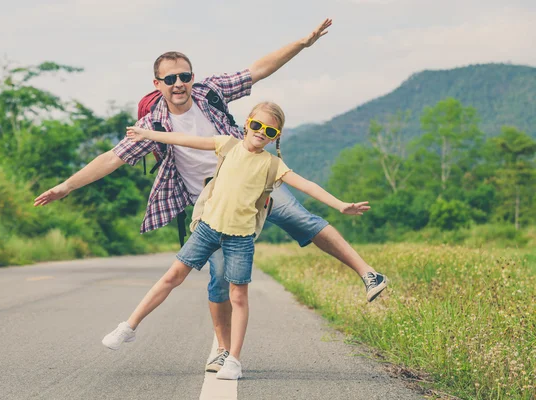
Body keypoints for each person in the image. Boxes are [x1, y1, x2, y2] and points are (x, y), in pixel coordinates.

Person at [33, 18, 388, 374]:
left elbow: (258, 71)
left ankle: (368, 274)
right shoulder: (154, 124)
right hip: (210, 205)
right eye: (170, 79)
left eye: (184, 76)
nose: (179, 84)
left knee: (302, 219)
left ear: (192, 77)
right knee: (219, 277)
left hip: (254, 179)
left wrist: (302, 44)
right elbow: (112, 157)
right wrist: (66, 186)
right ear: (157, 84)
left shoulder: (210, 92)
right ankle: (222, 349)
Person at [101, 102, 377, 380]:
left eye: (269, 130)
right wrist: (147, 134)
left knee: (238, 297)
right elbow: (184, 140)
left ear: (275, 136)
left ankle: (233, 360)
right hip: (208, 228)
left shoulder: (273, 164)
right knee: (171, 277)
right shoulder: (227, 145)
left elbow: (307, 185)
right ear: (247, 123)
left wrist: (340, 205)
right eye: (256, 125)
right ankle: (129, 327)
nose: (260, 132)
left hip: (240, 239)